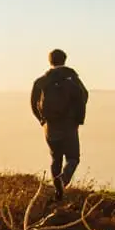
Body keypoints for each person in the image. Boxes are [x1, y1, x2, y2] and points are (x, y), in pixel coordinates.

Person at [30, 48, 88, 201]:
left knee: (56, 159)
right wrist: (77, 118)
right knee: (73, 158)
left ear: (50, 61)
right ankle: (63, 180)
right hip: (69, 126)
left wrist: (42, 121)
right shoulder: (72, 79)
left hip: (50, 127)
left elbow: (33, 104)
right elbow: (84, 95)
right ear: (64, 60)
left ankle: (58, 193)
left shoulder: (41, 81)